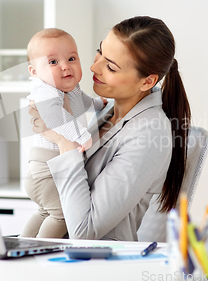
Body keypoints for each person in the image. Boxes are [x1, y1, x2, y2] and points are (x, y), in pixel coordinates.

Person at [28, 16, 191, 241]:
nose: (94, 66)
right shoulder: (108, 111)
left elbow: (85, 232)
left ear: (147, 82)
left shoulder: (148, 135)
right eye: (100, 51)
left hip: (96, 263)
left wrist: (62, 142)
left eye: (111, 67)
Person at [21, 28, 107, 238]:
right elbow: (56, 118)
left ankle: (24, 243)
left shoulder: (71, 88)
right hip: (45, 168)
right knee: (61, 215)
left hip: (50, 167)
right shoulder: (44, 91)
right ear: (34, 71)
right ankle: (40, 251)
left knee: (45, 212)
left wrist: (99, 104)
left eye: (71, 58)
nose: (65, 66)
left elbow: (83, 102)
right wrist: (81, 136)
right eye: (53, 62)